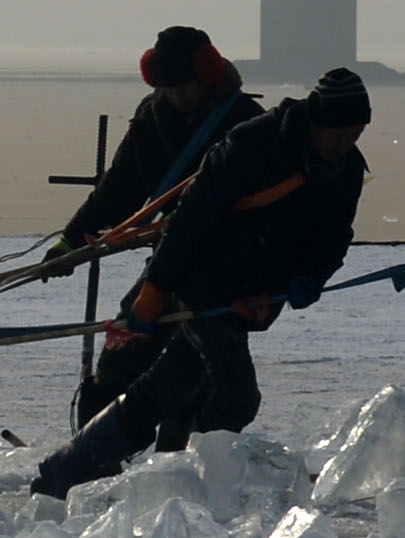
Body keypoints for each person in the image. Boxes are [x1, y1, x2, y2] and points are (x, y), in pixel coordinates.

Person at [34, 68, 372, 500]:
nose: (346, 144)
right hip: (204, 284)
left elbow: (332, 237)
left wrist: (306, 279)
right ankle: (195, 486)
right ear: (316, 122)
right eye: (340, 133)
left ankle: (64, 474)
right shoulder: (251, 145)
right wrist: (156, 288)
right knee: (236, 396)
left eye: (356, 133)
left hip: (253, 296)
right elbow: (190, 221)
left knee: (162, 390)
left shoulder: (345, 170)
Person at [54, 25, 258, 253]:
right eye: (168, 87)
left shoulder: (247, 121)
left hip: (234, 254)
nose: (177, 96)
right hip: (175, 250)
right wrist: (71, 240)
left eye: (183, 86)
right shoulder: (150, 118)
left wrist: (192, 215)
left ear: (207, 73)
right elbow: (120, 187)